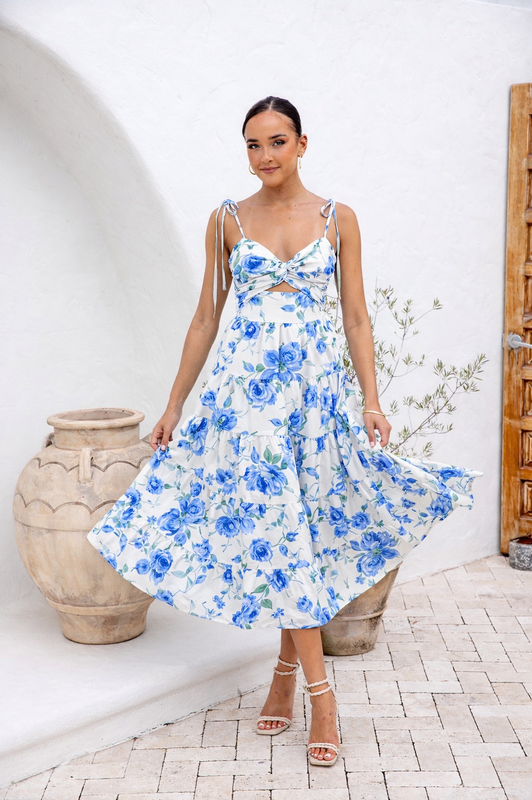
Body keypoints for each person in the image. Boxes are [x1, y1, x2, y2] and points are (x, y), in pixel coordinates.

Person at [87, 95, 481, 767]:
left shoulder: (337, 218)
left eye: (276, 141)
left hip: (317, 401)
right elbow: (205, 317)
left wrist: (371, 401)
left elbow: (355, 317)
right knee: (278, 528)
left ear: (301, 144)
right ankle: (322, 697)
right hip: (245, 403)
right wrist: (175, 404)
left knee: (302, 534)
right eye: (252, 144)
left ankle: (282, 675)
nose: (264, 155)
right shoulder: (227, 219)